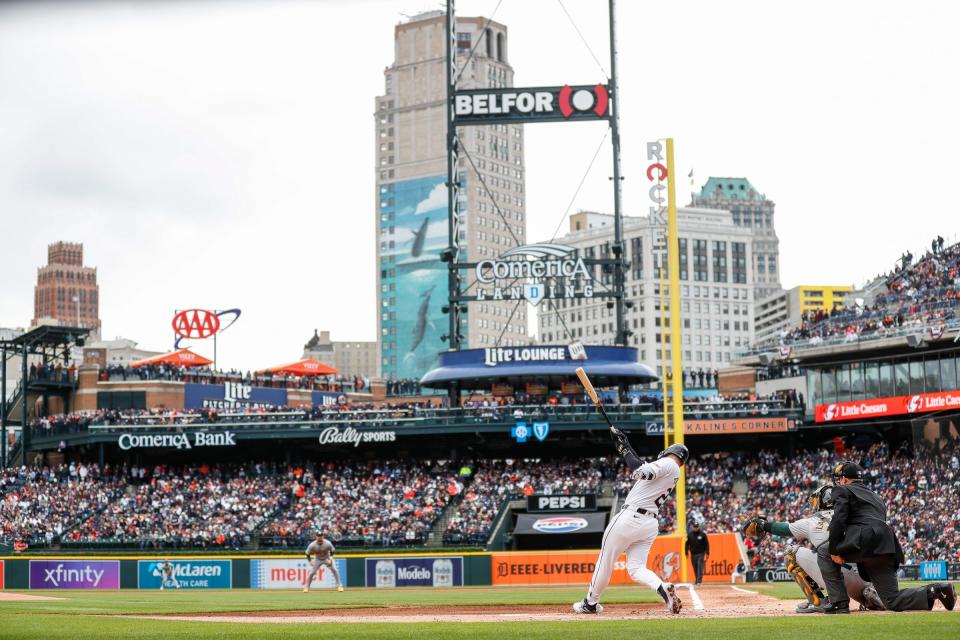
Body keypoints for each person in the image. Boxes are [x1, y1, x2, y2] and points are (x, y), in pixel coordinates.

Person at [573, 430, 687, 615]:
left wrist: (625, 450)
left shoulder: (667, 463)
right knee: (636, 568)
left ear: (669, 451)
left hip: (630, 518)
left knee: (605, 560)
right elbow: (643, 465)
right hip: (649, 524)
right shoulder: (673, 471)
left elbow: (640, 470)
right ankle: (663, 588)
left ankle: (590, 603)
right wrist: (625, 446)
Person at [817, 462, 955, 613]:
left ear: (843, 479)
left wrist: (834, 550)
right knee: (892, 601)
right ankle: (936, 590)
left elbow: (839, 520)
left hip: (865, 540)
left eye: (839, 480)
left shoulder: (841, 490)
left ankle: (839, 604)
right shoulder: (876, 496)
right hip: (886, 544)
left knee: (825, 551)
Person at [742, 485, 883, 613]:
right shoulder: (857, 515)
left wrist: (763, 524)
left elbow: (784, 529)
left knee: (791, 552)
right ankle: (871, 594)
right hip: (868, 578)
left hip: (840, 578)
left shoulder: (812, 521)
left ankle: (818, 602)